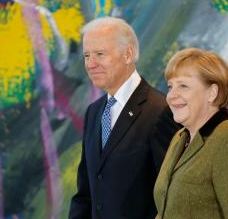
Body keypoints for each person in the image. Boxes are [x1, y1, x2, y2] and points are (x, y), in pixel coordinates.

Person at [69, 17, 180, 219]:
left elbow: (171, 196)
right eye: (86, 55)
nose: (90, 64)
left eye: (100, 54)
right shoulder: (94, 112)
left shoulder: (161, 111)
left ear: (128, 54)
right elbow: (86, 194)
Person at [154, 48, 228, 218]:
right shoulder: (180, 137)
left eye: (183, 86)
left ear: (212, 93)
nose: (171, 95)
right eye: (170, 86)